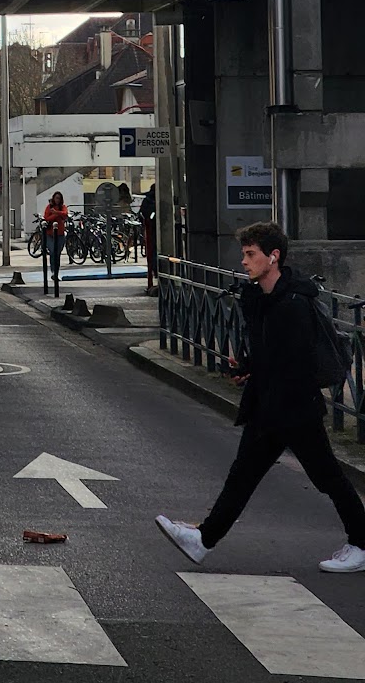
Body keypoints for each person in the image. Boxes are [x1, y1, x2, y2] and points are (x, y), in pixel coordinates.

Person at [156, 221, 365, 573]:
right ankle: (203, 540)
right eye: (244, 254)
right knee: (244, 476)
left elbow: (294, 361)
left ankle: (361, 541)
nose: (244, 261)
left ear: (274, 256)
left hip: (294, 409)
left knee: (327, 477)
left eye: (251, 254)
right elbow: (270, 353)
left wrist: (261, 373)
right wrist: (250, 367)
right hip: (272, 407)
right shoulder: (261, 298)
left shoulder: (294, 303)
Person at [43, 190, 68, 283]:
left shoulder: (63, 207)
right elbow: (46, 218)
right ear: (53, 198)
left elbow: (65, 214)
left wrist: (56, 212)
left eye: (59, 198)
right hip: (50, 234)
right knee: (52, 251)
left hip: (60, 234)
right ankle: (53, 272)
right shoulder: (49, 207)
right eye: (56, 198)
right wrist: (56, 214)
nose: (57, 200)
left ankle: (56, 272)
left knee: (58, 254)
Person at [140, 182, 157, 292]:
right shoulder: (154, 200)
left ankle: (154, 272)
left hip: (150, 229)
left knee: (152, 253)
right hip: (153, 228)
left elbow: (142, 213)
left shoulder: (147, 200)